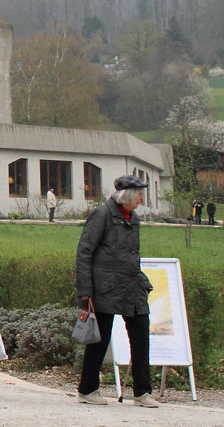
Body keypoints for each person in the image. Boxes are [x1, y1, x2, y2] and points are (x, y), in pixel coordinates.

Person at [75, 174, 157, 408]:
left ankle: (142, 392)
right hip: (105, 287)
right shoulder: (102, 214)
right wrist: (85, 292)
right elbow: (84, 252)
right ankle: (87, 389)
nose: (142, 197)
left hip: (132, 286)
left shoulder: (134, 218)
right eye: (139, 193)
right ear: (128, 195)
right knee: (99, 339)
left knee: (141, 336)